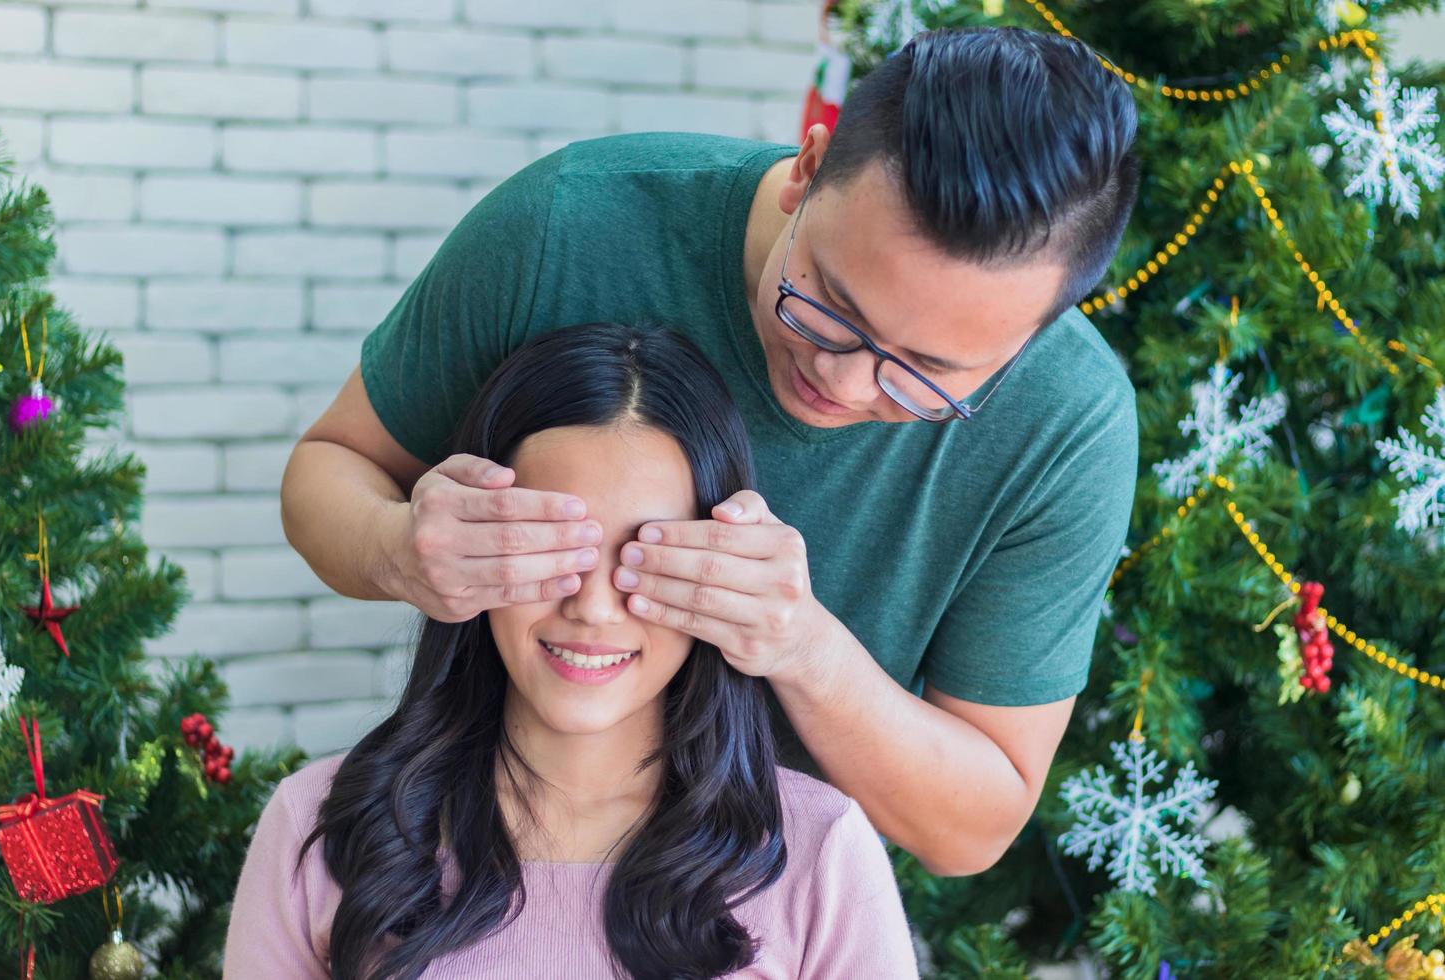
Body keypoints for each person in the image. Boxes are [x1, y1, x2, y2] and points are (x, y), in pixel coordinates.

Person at [280, 26, 1141, 877]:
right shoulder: (568, 225)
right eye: (830, 305)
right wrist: (397, 549)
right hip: (478, 860)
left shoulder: (1068, 421)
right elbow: (329, 467)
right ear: (806, 170)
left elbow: (974, 828)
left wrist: (805, 649)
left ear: (1029, 337)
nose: (843, 383)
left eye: (924, 375)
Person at [227, 323, 920, 979]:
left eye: (645, 554)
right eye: (557, 548)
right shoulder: (317, 829)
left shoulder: (818, 853)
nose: (591, 606)